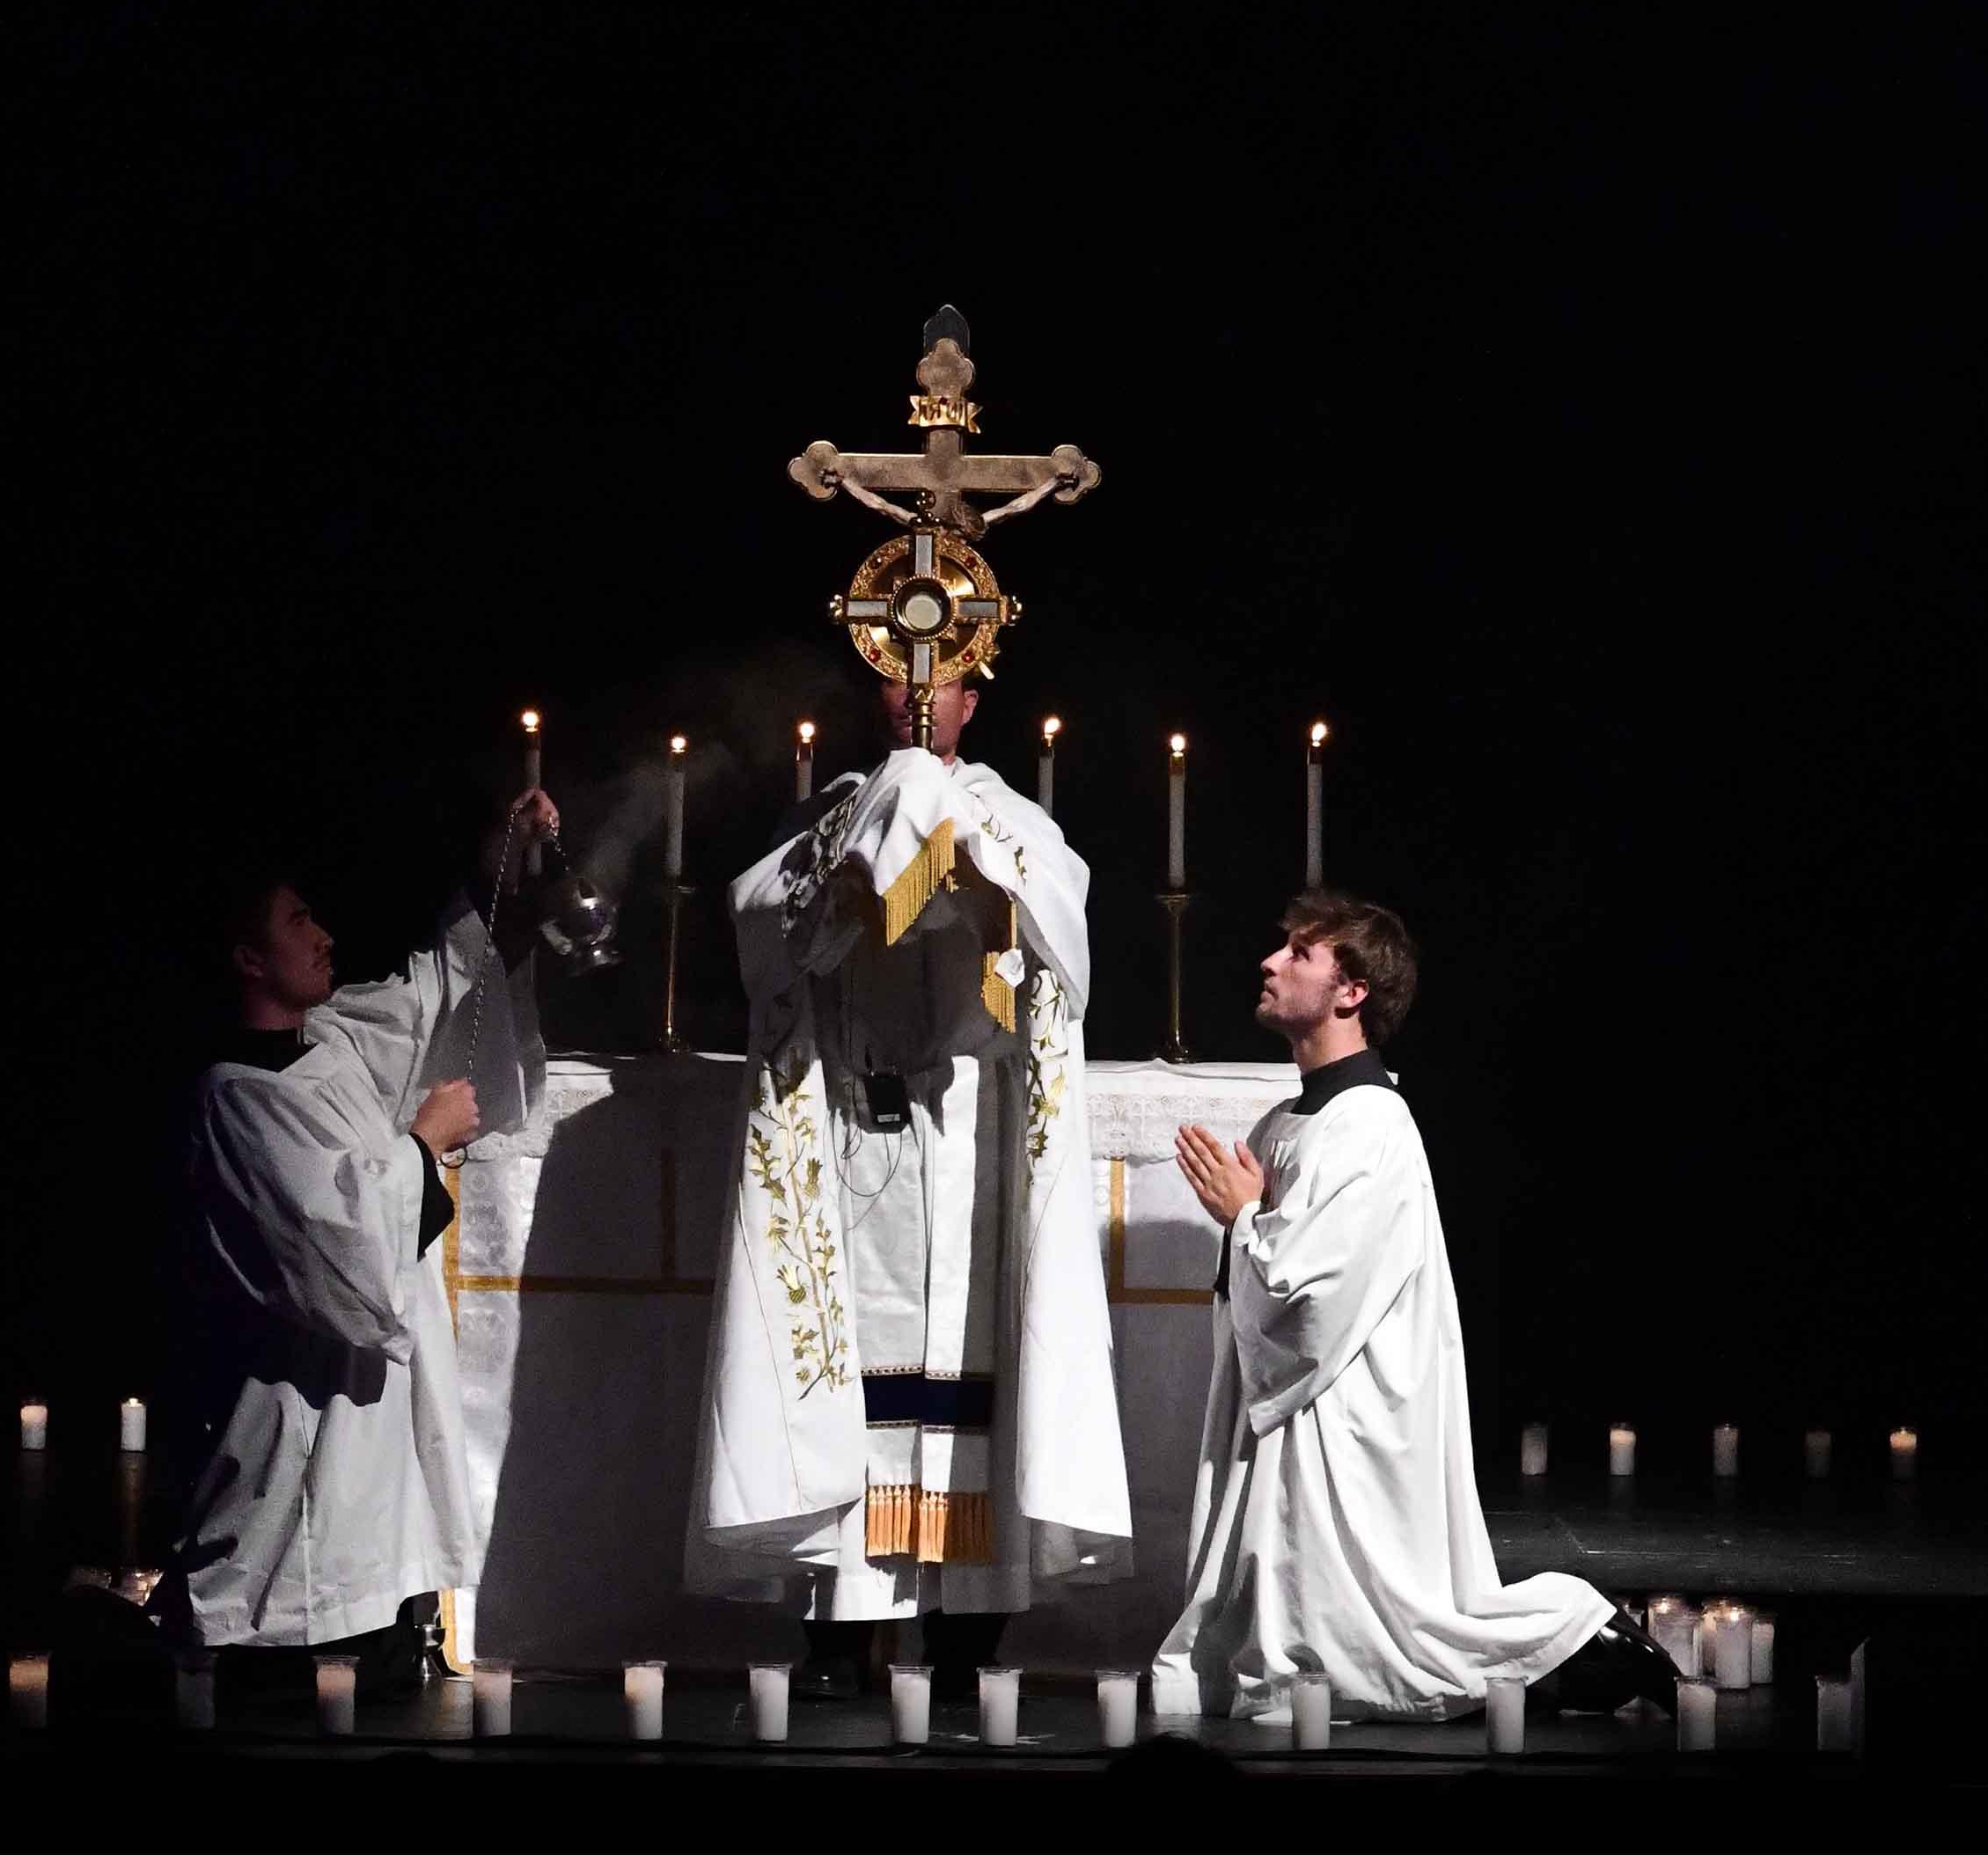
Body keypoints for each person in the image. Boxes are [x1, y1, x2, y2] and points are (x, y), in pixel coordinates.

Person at [686, 664, 1131, 1697]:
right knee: (848, 1376)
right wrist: (853, 881)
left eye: (937, 682)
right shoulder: (836, 813)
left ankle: (971, 1646)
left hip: (974, 1144)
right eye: (893, 677)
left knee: (980, 1378)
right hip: (855, 1132)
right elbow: (765, 925)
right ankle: (839, 1638)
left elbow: (1059, 949)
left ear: (972, 700)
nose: (916, 697)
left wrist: (974, 876)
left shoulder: (1007, 815)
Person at [1148, 891, 1676, 1721]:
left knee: (1384, 1627)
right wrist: (1249, 1222)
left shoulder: (1373, 1123)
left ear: (1351, 990)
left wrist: (1244, 1217)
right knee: (1313, 1622)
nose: (1270, 961)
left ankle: (1581, 1638)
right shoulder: (1286, 1117)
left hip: (1344, 1410)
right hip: (1295, 1410)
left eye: (1298, 953)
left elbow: (1313, 1305)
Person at [172, 787, 556, 1697]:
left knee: (370, 1590)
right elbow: (330, 1237)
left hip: (370, 1414)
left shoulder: (334, 1045)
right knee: (291, 1608)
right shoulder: (236, 1099)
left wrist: (504, 864)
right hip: (295, 1405)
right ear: (245, 957)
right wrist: (419, 1144)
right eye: (296, 921)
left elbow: (437, 992)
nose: (323, 936)